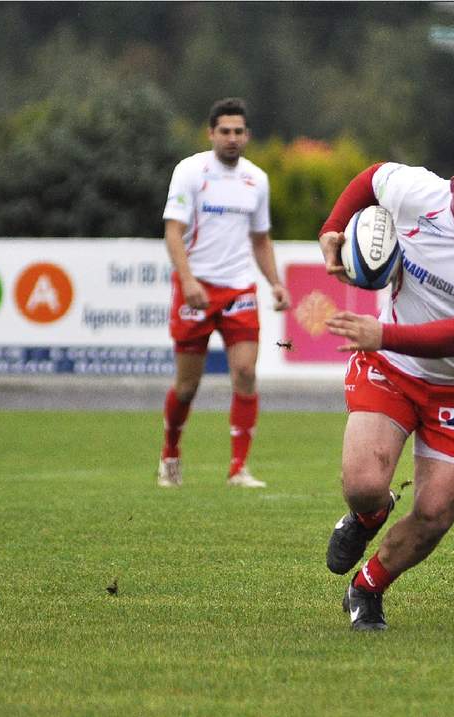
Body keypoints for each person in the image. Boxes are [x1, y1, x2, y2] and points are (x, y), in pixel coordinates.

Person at [318, 136, 454, 630]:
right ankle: (369, 516)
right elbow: (372, 177)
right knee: (363, 486)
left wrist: (381, 333)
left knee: (436, 514)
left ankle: (367, 587)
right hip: (393, 369)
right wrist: (332, 229)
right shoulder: (418, 193)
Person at [156, 97, 290, 488]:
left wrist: (275, 282)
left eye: (238, 132)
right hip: (196, 289)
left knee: (246, 373)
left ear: (247, 135)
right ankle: (170, 454)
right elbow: (173, 232)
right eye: (225, 131)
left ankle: (238, 468)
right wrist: (188, 281)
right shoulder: (190, 172)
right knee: (187, 387)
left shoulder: (256, 179)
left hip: (238, 288)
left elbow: (260, 239)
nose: (232, 138)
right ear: (211, 133)